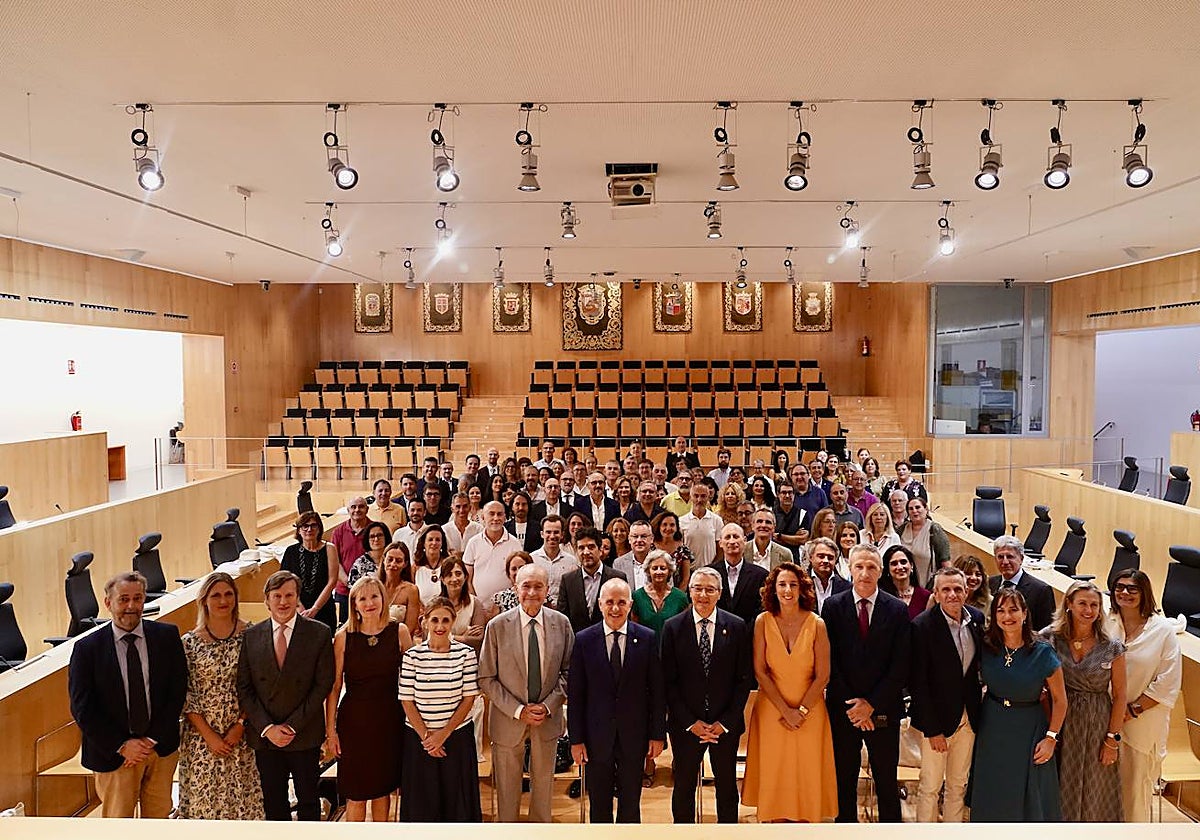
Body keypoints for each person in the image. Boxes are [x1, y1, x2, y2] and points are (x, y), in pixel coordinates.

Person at [68, 571, 187, 818]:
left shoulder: (166, 637)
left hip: (159, 750)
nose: (131, 606)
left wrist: (150, 740)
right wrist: (122, 745)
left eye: (137, 598)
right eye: (123, 599)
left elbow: (176, 693)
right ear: (108, 603)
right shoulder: (86, 649)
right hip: (113, 755)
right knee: (118, 826)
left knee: (158, 823)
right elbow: (83, 709)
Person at [745, 560, 840, 824]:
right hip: (771, 710)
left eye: (793, 585)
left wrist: (800, 710)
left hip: (810, 712)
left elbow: (823, 675)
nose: (787, 590)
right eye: (782, 584)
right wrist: (785, 710)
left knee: (806, 769)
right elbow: (760, 671)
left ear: (802, 589)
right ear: (773, 589)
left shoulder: (816, 623)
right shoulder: (762, 622)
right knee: (775, 770)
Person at [478, 565, 575, 823]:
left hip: (547, 719)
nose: (532, 592)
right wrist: (519, 710)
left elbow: (569, 672)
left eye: (538, 586)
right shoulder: (497, 626)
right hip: (508, 720)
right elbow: (486, 677)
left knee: (543, 792)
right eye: (526, 586)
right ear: (515, 589)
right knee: (507, 795)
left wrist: (548, 705)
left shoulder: (561, 624)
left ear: (547, 591)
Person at [822, 545, 911, 823]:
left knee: (886, 780)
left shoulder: (896, 609)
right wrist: (855, 707)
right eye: (859, 566)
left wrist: (871, 705)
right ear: (849, 568)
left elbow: (900, 665)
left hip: (883, 710)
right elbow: (829, 661)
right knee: (844, 779)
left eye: (871, 567)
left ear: (880, 571)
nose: (864, 573)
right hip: (843, 709)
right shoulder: (833, 607)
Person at [237, 570, 335, 822]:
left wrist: (292, 725)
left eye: (289, 595)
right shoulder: (250, 636)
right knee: (273, 803)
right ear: (266, 600)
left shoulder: (319, 633)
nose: (283, 602)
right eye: (277, 595)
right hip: (265, 737)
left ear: (298, 597)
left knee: (309, 801)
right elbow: (245, 688)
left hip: (303, 732)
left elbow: (323, 684)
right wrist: (268, 727)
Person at [567, 578, 666, 823]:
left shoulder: (647, 638)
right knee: (599, 803)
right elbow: (576, 695)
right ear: (600, 604)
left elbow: (656, 691)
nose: (615, 608)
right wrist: (576, 740)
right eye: (609, 602)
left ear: (630, 604)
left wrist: (657, 735)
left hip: (634, 736)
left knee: (630, 803)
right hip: (595, 737)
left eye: (621, 602)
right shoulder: (584, 640)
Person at [661, 567, 754, 823]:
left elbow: (743, 680)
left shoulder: (736, 626)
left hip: (725, 726)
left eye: (709, 589)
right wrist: (691, 723)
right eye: (697, 588)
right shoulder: (672, 627)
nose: (703, 594)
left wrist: (724, 722)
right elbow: (668, 682)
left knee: (726, 788)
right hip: (686, 726)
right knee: (684, 787)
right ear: (689, 591)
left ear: (719, 593)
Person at [969, 587, 1067, 822]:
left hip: (1029, 729)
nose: (1007, 616)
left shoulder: (1042, 651)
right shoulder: (986, 646)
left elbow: (1060, 700)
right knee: (993, 792)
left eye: (1013, 610)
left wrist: (1051, 738)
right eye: (1000, 610)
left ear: (1025, 614)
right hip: (992, 725)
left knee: (1027, 798)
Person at [324, 576, 412, 821]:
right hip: (354, 723)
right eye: (362, 598)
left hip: (389, 721)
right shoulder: (344, 637)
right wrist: (330, 730)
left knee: (382, 791)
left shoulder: (399, 632)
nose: (369, 602)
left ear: (384, 599)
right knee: (357, 793)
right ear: (354, 604)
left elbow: (414, 679)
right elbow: (334, 686)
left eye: (374, 596)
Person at [177, 572, 263, 819]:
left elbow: (259, 685)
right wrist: (210, 736)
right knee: (205, 809)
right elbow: (187, 693)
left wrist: (240, 725)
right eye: (216, 595)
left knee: (244, 807)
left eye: (228, 594)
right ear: (204, 600)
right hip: (202, 740)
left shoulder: (252, 635)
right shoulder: (189, 643)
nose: (223, 600)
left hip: (243, 737)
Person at [1039, 580, 1126, 821]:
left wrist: (1112, 740)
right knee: (1056, 786)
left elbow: (1120, 696)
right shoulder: (1049, 638)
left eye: (1094, 605)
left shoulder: (1112, 647)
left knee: (1096, 791)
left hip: (1097, 726)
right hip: (1058, 723)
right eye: (1083, 604)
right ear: (1069, 604)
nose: (1089, 610)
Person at [1106, 569, 1182, 821]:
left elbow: (1167, 683)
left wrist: (1129, 711)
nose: (1124, 593)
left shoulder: (1162, 632)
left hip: (1141, 723)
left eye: (1132, 589)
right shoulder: (1107, 623)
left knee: (1133, 794)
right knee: (1103, 792)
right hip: (1103, 720)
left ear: (1144, 593)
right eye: (1119, 587)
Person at [909, 567, 984, 823]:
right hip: (937, 723)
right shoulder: (922, 626)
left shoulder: (977, 619)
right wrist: (932, 729)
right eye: (946, 590)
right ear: (937, 594)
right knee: (929, 787)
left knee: (958, 785)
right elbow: (917, 683)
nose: (953, 594)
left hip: (969, 717)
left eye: (957, 589)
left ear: (966, 591)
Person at [398, 598, 483, 822]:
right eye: (434, 620)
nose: (440, 626)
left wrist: (443, 734)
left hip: (456, 738)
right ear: (424, 621)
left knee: (457, 804)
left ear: (453, 622)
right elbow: (407, 701)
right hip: (420, 740)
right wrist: (427, 737)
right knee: (422, 804)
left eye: (445, 620)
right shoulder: (412, 656)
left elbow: (468, 698)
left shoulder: (465, 654)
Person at [557, 527, 628, 633]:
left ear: (600, 550)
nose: (586, 552)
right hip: (577, 644)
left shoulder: (617, 578)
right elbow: (563, 619)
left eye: (591, 547)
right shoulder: (568, 581)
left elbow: (624, 614)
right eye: (581, 548)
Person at [280, 511, 339, 631]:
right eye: (305, 526)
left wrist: (315, 609)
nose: (309, 529)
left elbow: (332, 581)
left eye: (313, 525)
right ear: (299, 530)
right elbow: (284, 583)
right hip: (297, 609)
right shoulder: (291, 551)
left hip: (323, 608)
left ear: (319, 528)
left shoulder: (329, 548)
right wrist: (299, 607)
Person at [988, 535, 1056, 632]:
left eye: (1010, 556)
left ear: (1021, 559)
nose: (1005, 561)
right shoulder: (990, 584)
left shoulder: (1041, 590)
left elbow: (1046, 631)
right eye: (1000, 557)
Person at [463, 500, 523, 604]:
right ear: (483, 517)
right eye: (491, 514)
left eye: (499, 514)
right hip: (478, 605)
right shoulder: (473, 543)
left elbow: (519, 578)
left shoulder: (515, 544)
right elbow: (467, 579)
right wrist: (476, 604)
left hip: (507, 607)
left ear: (505, 518)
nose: (496, 518)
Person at [711, 522, 769, 626]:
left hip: (749, 636)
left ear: (745, 541)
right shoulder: (710, 574)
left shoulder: (761, 575)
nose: (732, 541)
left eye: (736, 536)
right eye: (727, 537)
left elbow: (762, 610)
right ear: (720, 543)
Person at [328, 497, 373, 625]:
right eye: (353, 507)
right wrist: (350, 583)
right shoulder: (338, 532)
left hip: (370, 591)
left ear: (367, 509)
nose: (357, 510)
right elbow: (334, 561)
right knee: (346, 628)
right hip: (344, 592)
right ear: (348, 510)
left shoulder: (375, 530)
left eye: (361, 507)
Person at [631, 549, 689, 637]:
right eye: (654, 568)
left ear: (669, 571)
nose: (659, 572)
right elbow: (634, 629)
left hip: (672, 648)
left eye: (663, 568)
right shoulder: (637, 596)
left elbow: (685, 630)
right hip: (645, 648)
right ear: (648, 571)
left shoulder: (680, 597)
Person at [439, 555, 487, 654]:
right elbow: (431, 637)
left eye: (458, 574)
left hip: (468, 659)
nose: (454, 579)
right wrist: (464, 638)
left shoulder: (475, 603)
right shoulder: (435, 605)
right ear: (443, 579)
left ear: (465, 577)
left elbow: (478, 639)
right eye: (449, 575)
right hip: (440, 658)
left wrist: (448, 637)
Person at [899, 496, 949, 586]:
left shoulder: (935, 530)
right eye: (911, 509)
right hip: (904, 585)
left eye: (918, 507)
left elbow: (945, 561)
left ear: (926, 509)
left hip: (928, 586)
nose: (914, 511)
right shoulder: (902, 529)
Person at [379, 540, 422, 637]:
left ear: (405, 564)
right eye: (390, 559)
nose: (393, 564)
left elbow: (409, 629)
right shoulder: (374, 587)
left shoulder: (411, 590)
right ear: (383, 560)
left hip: (400, 641)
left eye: (398, 561)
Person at [879, 544, 932, 619]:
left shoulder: (925, 596)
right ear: (887, 569)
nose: (900, 567)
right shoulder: (881, 597)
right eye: (894, 564)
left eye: (903, 562)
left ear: (911, 565)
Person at [679, 480, 720, 569]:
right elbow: (679, 549)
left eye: (703, 496)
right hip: (689, 571)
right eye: (696, 496)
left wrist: (712, 567)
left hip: (711, 570)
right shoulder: (681, 521)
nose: (699, 500)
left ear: (708, 497)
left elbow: (720, 550)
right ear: (691, 497)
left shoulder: (717, 520)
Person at [652, 510, 694, 588]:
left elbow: (686, 578)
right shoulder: (650, 547)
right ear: (659, 526)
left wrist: (677, 597)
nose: (668, 528)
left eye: (672, 525)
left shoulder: (683, 549)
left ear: (676, 528)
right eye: (664, 525)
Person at [413, 524, 450, 606]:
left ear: (442, 543)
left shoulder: (449, 565)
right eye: (430, 539)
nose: (434, 543)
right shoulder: (415, 568)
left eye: (438, 540)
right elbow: (411, 595)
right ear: (423, 543)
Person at [347, 520, 392, 587]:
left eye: (379, 535)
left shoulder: (393, 559)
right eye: (372, 536)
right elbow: (353, 589)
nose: (376, 539)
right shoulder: (360, 564)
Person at [489, 550, 533, 616]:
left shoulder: (542, 596)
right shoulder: (499, 598)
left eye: (521, 567)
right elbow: (494, 625)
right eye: (514, 569)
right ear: (508, 573)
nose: (518, 572)